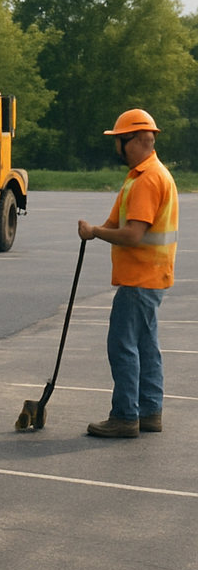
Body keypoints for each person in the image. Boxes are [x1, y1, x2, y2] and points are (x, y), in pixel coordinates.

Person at [78, 109, 178, 438]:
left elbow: (132, 234)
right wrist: (96, 229)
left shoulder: (148, 179)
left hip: (140, 278)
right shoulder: (141, 175)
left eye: (118, 141)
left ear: (132, 141)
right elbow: (115, 222)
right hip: (151, 277)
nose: (115, 148)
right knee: (146, 346)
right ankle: (149, 411)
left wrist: (94, 231)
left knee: (122, 345)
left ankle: (125, 416)